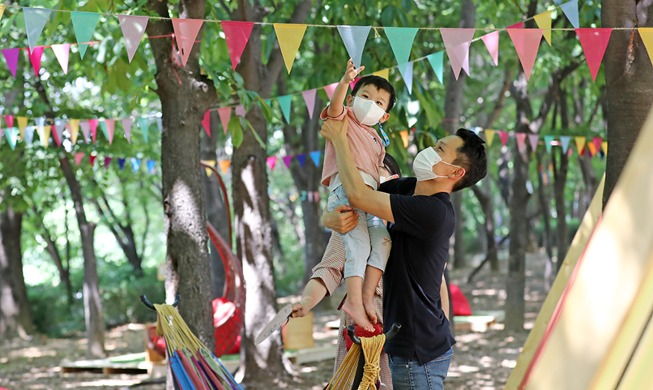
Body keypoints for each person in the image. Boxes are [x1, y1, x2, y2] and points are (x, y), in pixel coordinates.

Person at [321, 119, 487, 390]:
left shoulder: (434, 212)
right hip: (417, 342)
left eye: (439, 149)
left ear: (455, 172)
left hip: (417, 352)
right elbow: (356, 200)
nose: (430, 150)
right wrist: (329, 218)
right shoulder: (408, 189)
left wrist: (340, 139)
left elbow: (360, 196)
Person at [291, 154, 402, 389]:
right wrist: (306, 302)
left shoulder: (408, 219)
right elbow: (329, 270)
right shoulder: (351, 222)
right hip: (360, 329)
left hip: (403, 325)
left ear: (395, 179)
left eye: (376, 167)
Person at [319, 59, 397, 331]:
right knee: (358, 247)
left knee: (382, 241)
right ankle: (354, 301)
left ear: (384, 116)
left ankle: (366, 295)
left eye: (379, 103)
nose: (370, 104)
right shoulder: (345, 120)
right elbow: (335, 107)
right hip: (346, 189)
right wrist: (344, 81)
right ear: (352, 99)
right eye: (365, 96)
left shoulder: (377, 141)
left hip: (369, 196)